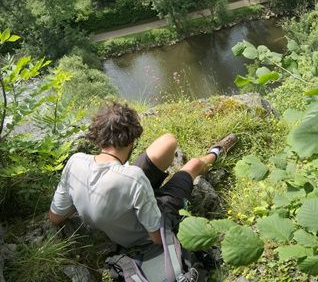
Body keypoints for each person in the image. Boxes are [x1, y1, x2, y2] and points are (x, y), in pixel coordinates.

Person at [48, 101, 237, 250]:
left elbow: (55, 217)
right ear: (131, 140)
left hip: (121, 188)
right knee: (193, 166)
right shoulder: (133, 177)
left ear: (98, 137)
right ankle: (216, 151)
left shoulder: (76, 162)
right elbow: (156, 237)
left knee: (167, 142)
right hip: (147, 229)